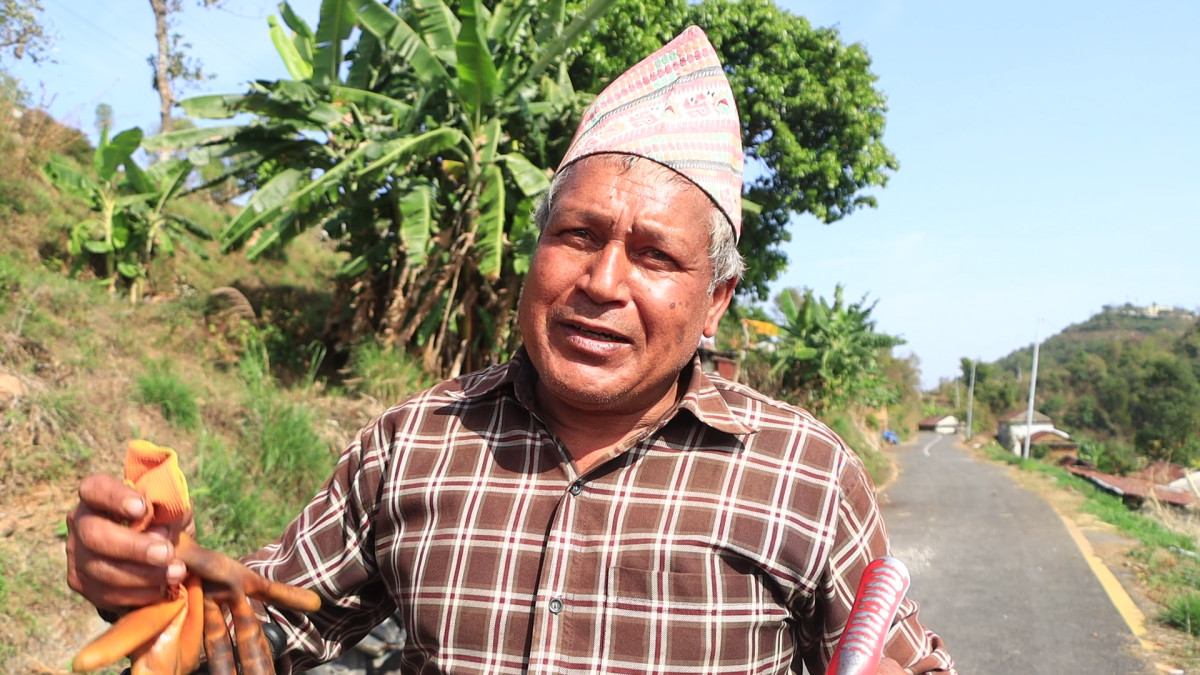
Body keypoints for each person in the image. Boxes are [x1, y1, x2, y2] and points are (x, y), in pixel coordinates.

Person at [66, 26, 954, 675]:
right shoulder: (413, 442)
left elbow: (907, 658)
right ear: (535, 252)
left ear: (716, 301)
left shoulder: (803, 475)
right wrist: (148, 586)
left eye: (654, 256)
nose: (602, 281)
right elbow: (257, 633)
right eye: (578, 235)